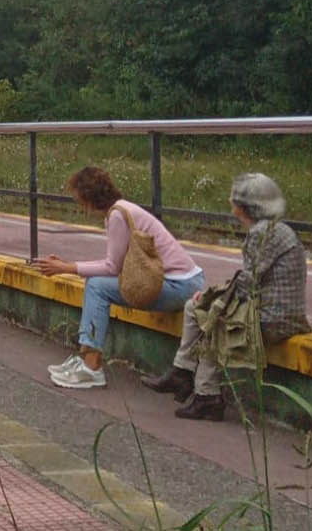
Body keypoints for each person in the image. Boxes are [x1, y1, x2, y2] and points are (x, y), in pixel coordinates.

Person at [141, 173, 311, 420]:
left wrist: (214, 299)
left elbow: (248, 283)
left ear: (244, 207)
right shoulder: (275, 229)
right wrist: (212, 296)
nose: (231, 207)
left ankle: (206, 395)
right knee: (194, 306)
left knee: (214, 320)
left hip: (273, 317)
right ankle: (182, 371)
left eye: (233, 202)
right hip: (279, 311)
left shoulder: (261, 233)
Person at [31, 166, 205, 389]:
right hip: (184, 282)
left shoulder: (116, 215)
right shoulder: (121, 209)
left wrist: (66, 267)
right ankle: (87, 359)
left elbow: (111, 267)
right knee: (96, 283)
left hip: (178, 285)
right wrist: (67, 265)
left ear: (88, 197)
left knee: (96, 286)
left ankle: (91, 367)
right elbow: (115, 264)